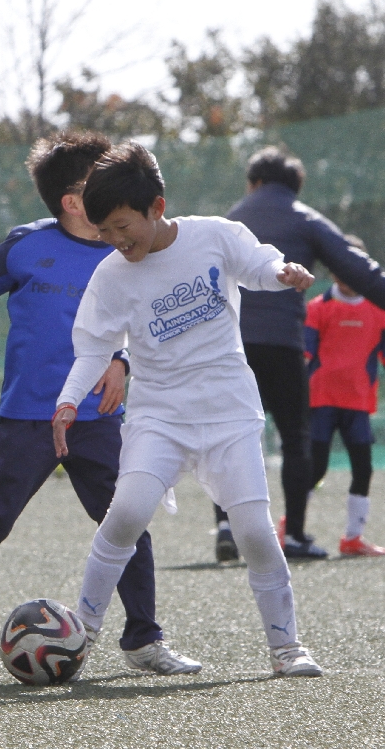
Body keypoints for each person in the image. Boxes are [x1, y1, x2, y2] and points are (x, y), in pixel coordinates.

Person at [0, 131, 199, 682]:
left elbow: (147, 320)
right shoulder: (26, 247)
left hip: (98, 419)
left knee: (127, 521)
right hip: (29, 418)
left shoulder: (129, 250)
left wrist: (122, 361)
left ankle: (144, 638)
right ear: (74, 201)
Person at [53, 141, 323, 678]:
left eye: (123, 225)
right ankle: (79, 636)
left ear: (156, 206)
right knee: (126, 513)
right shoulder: (110, 275)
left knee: (254, 531)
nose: (116, 239)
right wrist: (67, 401)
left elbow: (260, 264)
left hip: (229, 413)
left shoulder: (214, 235)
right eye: (104, 231)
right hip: (158, 418)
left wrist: (283, 272)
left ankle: (286, 646)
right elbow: (94, 349)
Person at [214, 147, 385, 561]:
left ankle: (226, 527)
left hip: (229, 344)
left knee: (227, 434)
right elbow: (357, 268)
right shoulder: (306, 219)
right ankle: (292, 536)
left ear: (254, 182)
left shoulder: (228, 221)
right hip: (282, 343)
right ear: (294, 186)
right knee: (295, 438)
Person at [303, 235, 385, 557]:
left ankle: (353, 538)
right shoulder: (317, 308)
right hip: (320, 401)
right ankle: (290, 528)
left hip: (358, 403)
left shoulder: (379, 310)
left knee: (363, 469)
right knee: (316, 468)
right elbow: (304, 356)